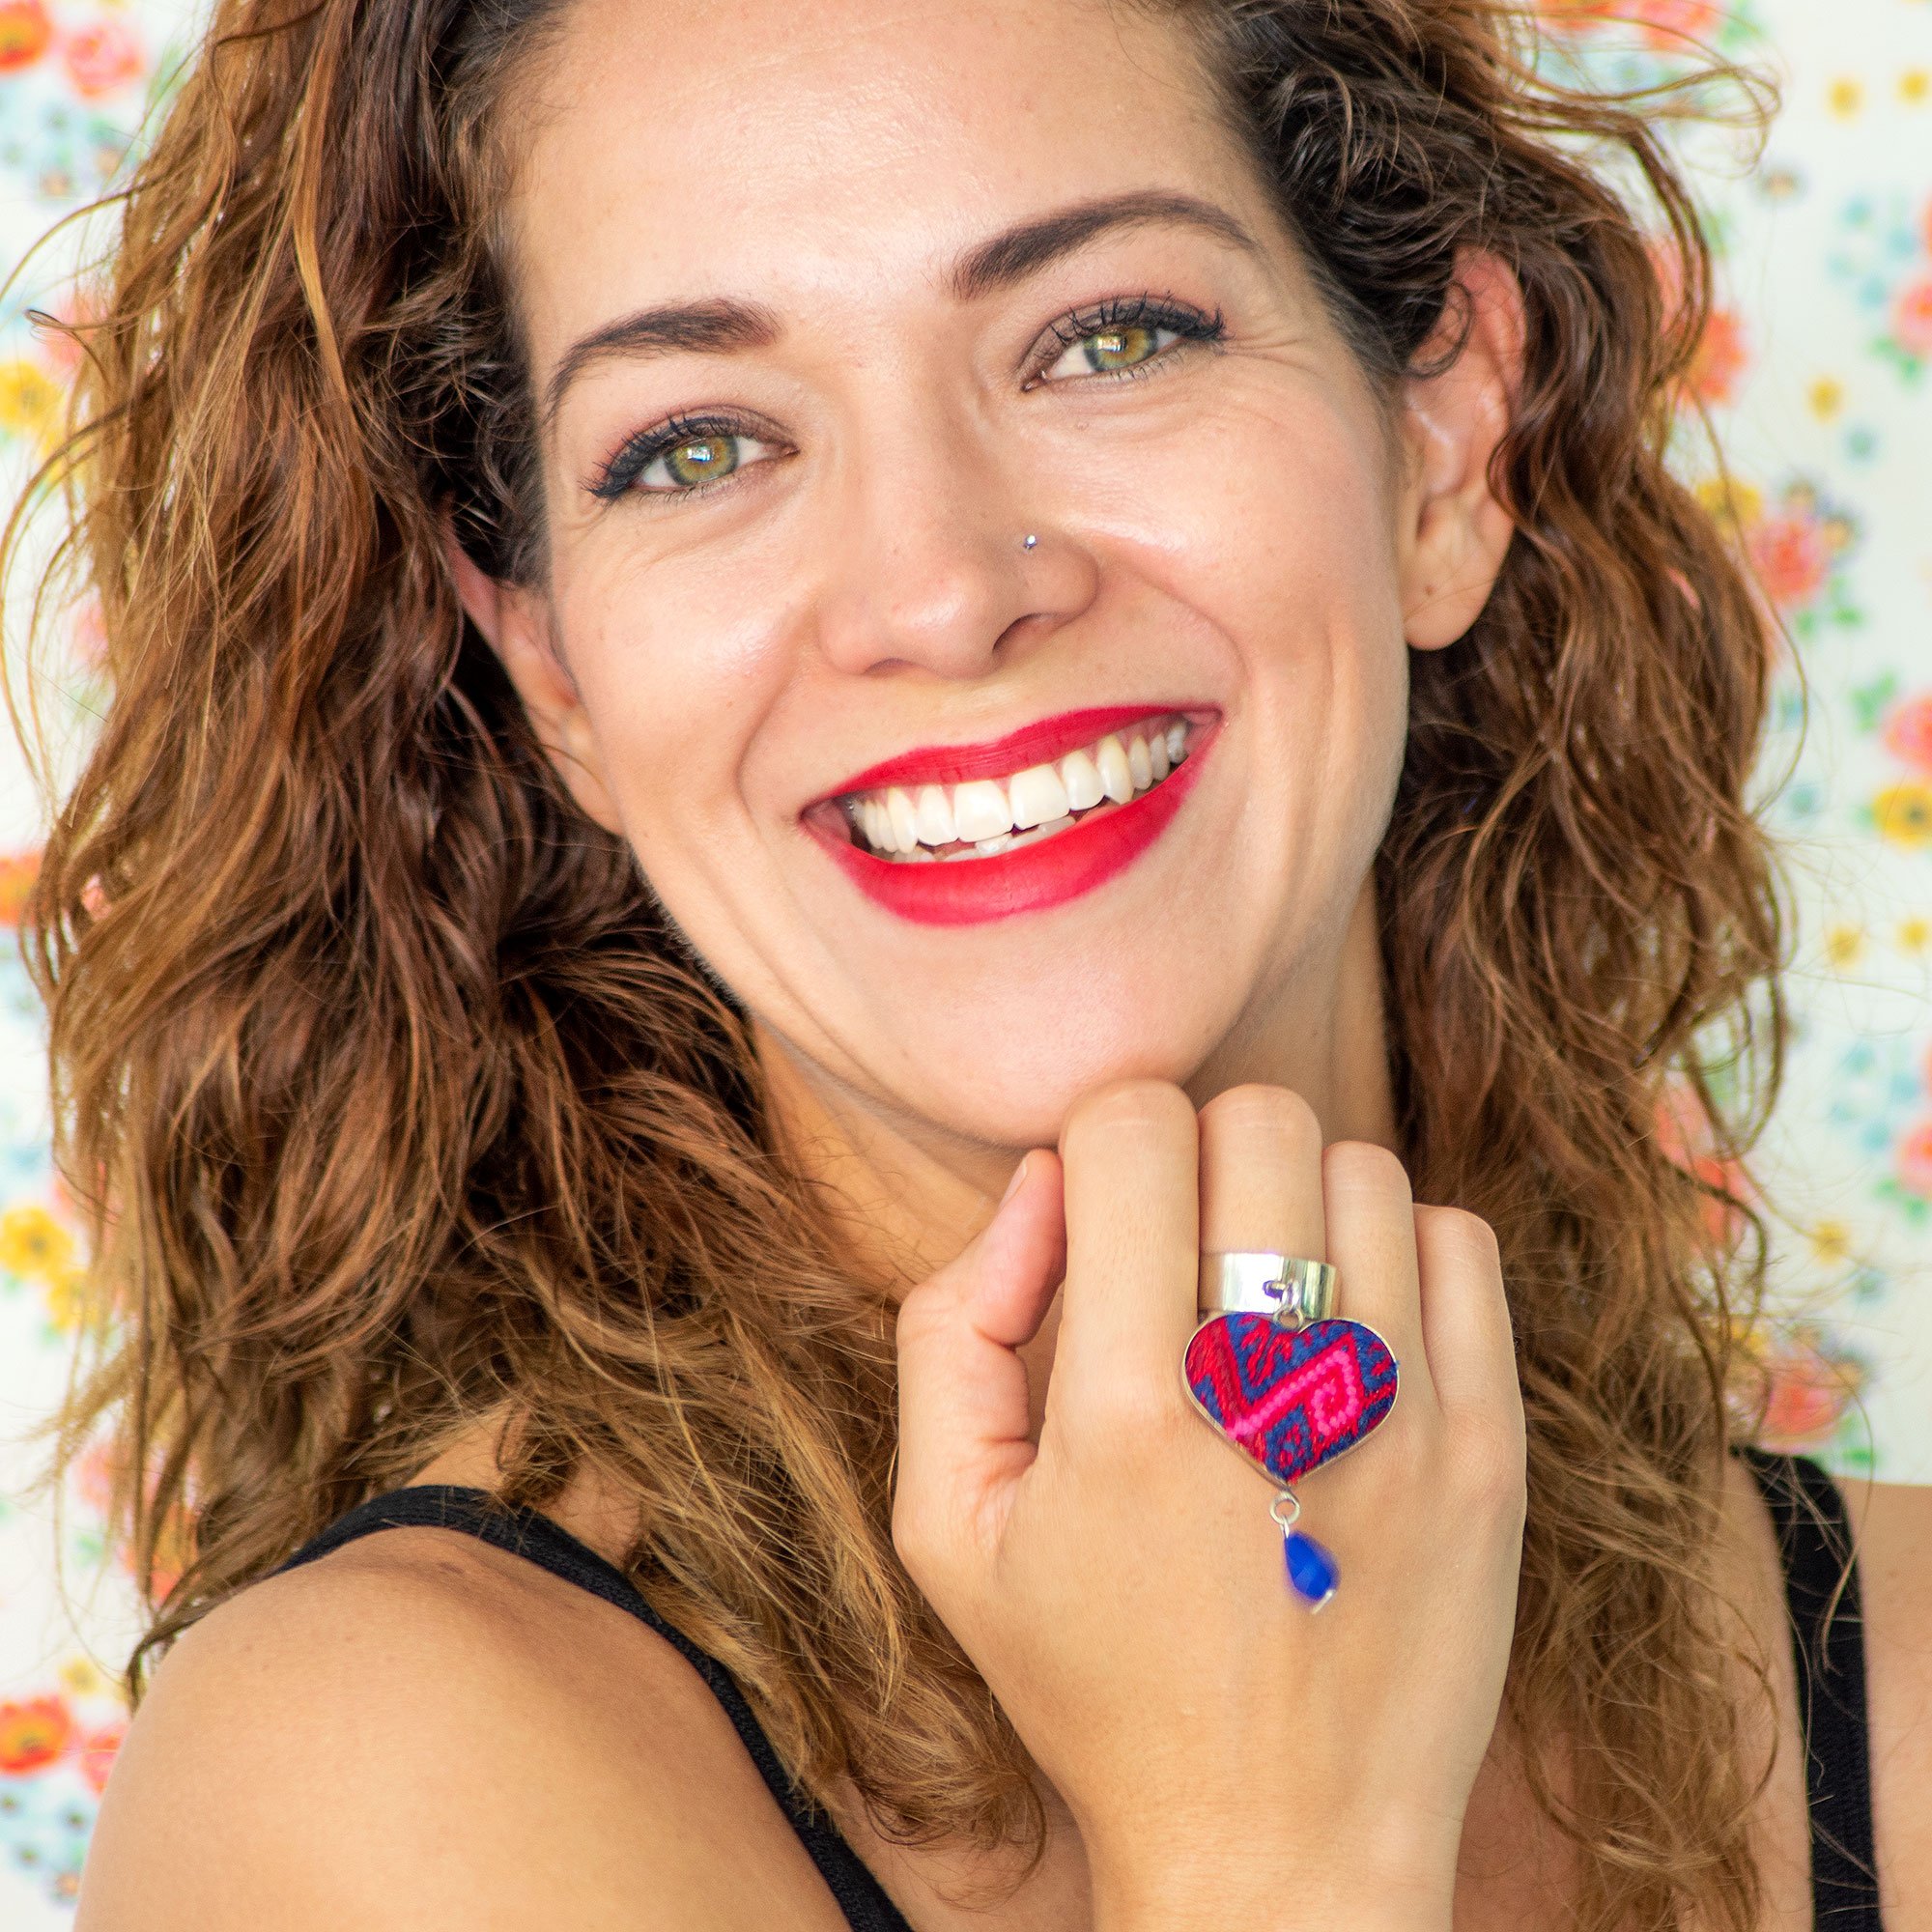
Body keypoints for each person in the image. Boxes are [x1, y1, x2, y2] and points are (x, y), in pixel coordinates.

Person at [7, 0, 1927, 1924]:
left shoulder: (1902, 1686)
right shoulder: (378, 1780)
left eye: (1106, 337)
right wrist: (1270, 1849)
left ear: (1441, 443)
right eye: (696, 446)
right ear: (553, 668)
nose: (940, 587)